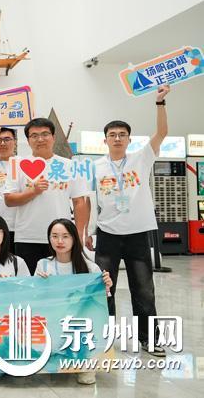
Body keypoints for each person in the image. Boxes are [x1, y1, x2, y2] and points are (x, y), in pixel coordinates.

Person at [91, 85, 170, 356]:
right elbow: (88, 200)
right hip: (107, 234)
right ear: (105, 140)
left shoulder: (141, 158)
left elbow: (162, 133)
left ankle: (149, 339)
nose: (117, 138)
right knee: (104, 289)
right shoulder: (95, 167)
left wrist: (160, 103)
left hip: (138, 234)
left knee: (144, 290)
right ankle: (104, 340)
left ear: (129, 139)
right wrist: (87, 231)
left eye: (122, 135)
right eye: (112, 135)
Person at [4, 118, 89, 274]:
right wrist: (33, 191)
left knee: (60, 282)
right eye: (34, 136)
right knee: (29, 282)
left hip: (61, 238)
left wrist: (78, 234)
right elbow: (9, 200)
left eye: (45, 134)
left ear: (53, 137)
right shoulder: (17, 165)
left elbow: (79, 202)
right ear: (28, 140)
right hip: (27, 237)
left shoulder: (70, 165)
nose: (40, 139)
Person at [36, 218, 113, 385]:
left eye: (65, 236)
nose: (60, 241)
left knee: (85, 377)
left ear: (74, 239)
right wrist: (39, 284)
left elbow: (100, 304)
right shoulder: (43, 265)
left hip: (79, 325)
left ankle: (85, 362)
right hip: (53, 322)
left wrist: (106, 286)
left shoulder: (90, 267)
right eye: (54, 236)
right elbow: (36, 301)